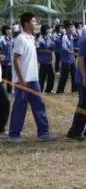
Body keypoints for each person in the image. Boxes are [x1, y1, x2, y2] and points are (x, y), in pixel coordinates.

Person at [7, 12, 56, 143]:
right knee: (20, 107)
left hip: (34, 79)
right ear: (26, 23)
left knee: (39, 105)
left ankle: (44, 133)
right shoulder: (21, 39)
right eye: (33, 22)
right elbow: (16, 59)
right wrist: (21, 80)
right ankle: (14, 135)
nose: (36, 24)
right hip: (23, 80)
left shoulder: (32, 38)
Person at [56, 21, 77, 94]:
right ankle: (59, 91)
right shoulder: (64, 37)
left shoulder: (71, 36)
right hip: (65, 61)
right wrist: (73, 53)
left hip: (71, 60)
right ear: (67, 29)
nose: (72, 29)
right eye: (71, 28)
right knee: (64, 77)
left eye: (73, 27)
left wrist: (74, 53)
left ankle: (74, 90)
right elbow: (64, 48)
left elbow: (71, 47)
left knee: (74, 75)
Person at [37, 24, 56, 94]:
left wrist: (53, 46)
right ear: (44, 30)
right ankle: (40, 90)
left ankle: (48, 90)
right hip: (43, 61)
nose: (49, 30)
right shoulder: (40, 39)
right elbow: (38, 50)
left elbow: (51, 46)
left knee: (51, 76)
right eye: (48, 29)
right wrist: (46, 51)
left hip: (49, 60)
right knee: (42, 77)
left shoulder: (49, 37)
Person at [0, 25, 14, 94]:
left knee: (10, 77)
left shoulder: (11, 38)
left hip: (10, 62)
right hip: (3, 62)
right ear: (4, 31)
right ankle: (2, 91)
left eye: (10, 29)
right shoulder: (1, 39)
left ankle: (9, 90)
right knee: (3, 78)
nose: (9, 31)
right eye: (7, 29)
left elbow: (13, 48)